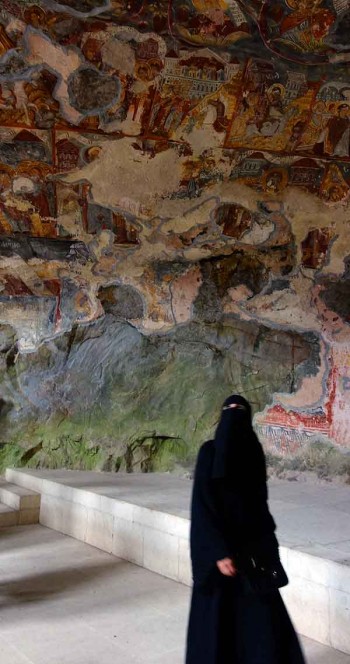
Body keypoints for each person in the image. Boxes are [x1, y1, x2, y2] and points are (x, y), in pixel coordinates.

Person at [186, 394, 306, 664]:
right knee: (218, 619)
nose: (233, 415)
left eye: (239, 410)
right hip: (221, 555)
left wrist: (267, 545)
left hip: (251, 552)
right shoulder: (209, 452)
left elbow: (259, 502)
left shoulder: (253, 452)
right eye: (228, 410)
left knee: (262, 620)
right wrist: (219, 552)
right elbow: (202, 506)